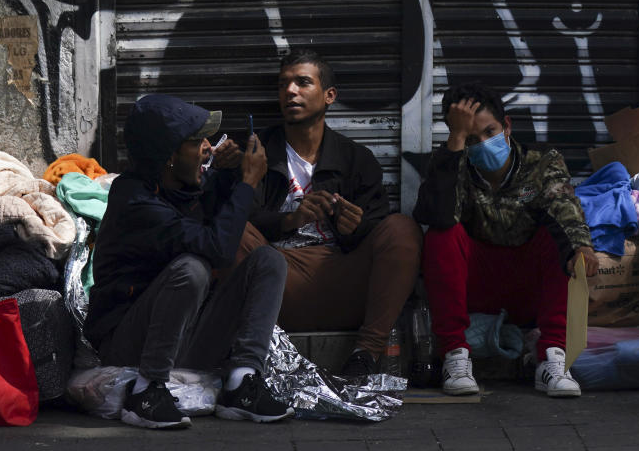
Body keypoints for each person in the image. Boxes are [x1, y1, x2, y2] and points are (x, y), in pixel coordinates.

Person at [83, 94, 293, 429]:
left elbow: (214, 211)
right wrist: (248, 182)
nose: (209, 147)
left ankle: (242, 382)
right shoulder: (134, 200)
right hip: (127, 345)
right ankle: (146, 392)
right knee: (192, 268)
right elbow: (217, 246)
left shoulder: (177, 184)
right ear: (169, 155)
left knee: (269, 261)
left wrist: (231, 175)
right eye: (197, 142)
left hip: (184, 337)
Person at [235, 50, 423, 377]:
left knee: (403, 229)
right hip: (279, 283)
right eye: (283, 85)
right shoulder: (256, 151)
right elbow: (238, 219)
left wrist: (355, 227)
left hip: (342, 281)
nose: (290, 91)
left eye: (302, 83)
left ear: (329, 96)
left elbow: (379, 232)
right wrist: (289, 220)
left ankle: (366, 354)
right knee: (230, 230)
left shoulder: (356, 159)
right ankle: (247, 356)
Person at [413, 82, 599, 398]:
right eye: (472, 138)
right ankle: (455, 357)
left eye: (490, 132)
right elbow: (438, 214)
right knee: (442, 234)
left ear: (507, 126)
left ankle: (552, 358)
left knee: (562, 239)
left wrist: (581, 245)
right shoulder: (452, 164)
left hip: (529, 289)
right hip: (476, 288)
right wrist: (456, 144)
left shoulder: (542, 163)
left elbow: (563, 207)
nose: (483, 144)